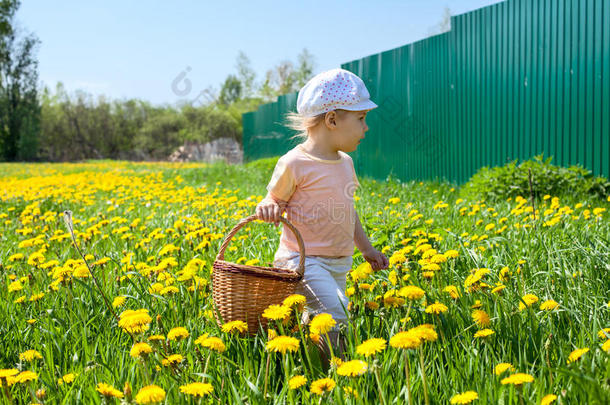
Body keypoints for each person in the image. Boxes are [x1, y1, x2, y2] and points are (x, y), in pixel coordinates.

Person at [255, 68, 389, 360]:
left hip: (340, 262)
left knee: (322, 322)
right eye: (361, 118)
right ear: (331, 120)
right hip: (303, 260)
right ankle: (340, 372)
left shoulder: (346, 163)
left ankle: (314, 366)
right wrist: (267, 206)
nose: (366, 128)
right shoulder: (294, 162)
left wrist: (366, 249)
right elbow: (273, 199)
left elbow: (347, 211)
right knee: (335, 313)